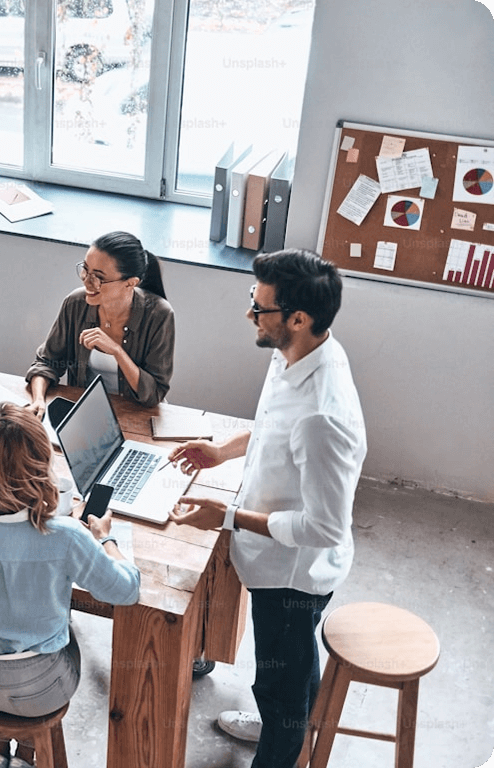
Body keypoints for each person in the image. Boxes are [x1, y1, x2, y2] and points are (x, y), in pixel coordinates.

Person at [167, 249, 366, 768]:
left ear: (297, 318)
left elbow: (323, 527)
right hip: (272, 557)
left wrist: (227, 517)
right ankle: (286, 720)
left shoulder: (321, 416)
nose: (249, 315)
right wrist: (221, 451)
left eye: (259, 308)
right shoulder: (298, 353)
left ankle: (283, 740)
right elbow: (273, 430)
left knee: (282, 680)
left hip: (292, 576)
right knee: (291, 668)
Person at [0, 403, 140, 768]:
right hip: (40, 689)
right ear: (43, 464)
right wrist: (105, 539)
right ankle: (25, 753)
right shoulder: (67, 536)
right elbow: (126, 591)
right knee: (67, 634)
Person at [26, 231, 174, 413]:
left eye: (99, 277)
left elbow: (154, 394)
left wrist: (117, 352)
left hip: (137, 414)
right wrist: (39, 400)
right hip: (85, 413)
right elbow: (47, 362)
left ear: (130, 283)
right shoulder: (75, 303)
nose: (87, 282)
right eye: (85, 270)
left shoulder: (159, 315)